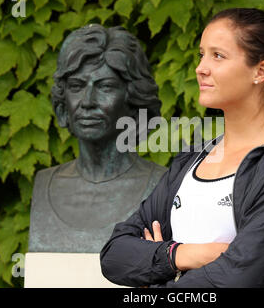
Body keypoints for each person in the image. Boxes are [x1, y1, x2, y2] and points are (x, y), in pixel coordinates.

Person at [100, 8, 264, 287]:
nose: (201, 67)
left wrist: (152, 274)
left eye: (218, 55)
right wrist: (181, 255)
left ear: (261, 71)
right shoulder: (192, 159)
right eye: (201, 54)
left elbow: (232, 278)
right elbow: (114, 255)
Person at [28, 25, 167, 253]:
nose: (87, 101)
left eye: (105, 86)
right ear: (63, 103)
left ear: (134, 102)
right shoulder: (44, 183)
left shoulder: (163, 187)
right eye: (76, 86)